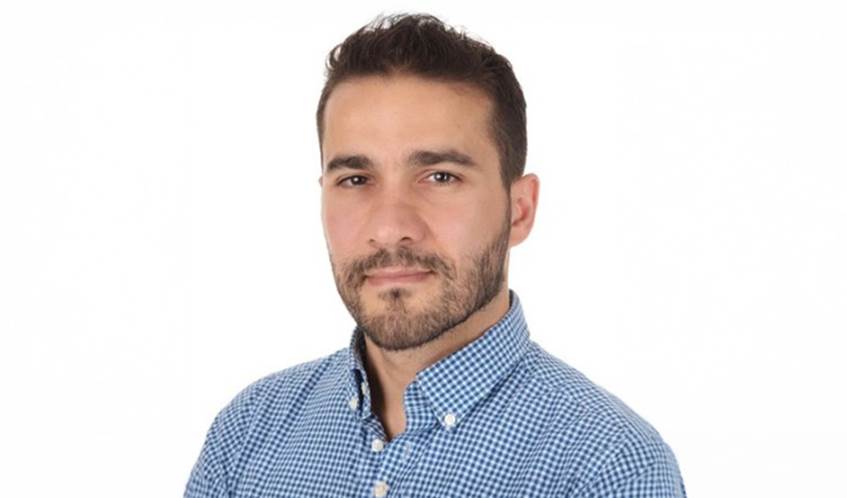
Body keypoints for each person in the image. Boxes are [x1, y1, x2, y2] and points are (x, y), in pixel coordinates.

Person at [184, 13, 686, 497]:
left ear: (519, 210)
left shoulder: (609, 467)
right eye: (355, 180)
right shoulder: (249, 432)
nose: (390, 227)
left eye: (440, 177)